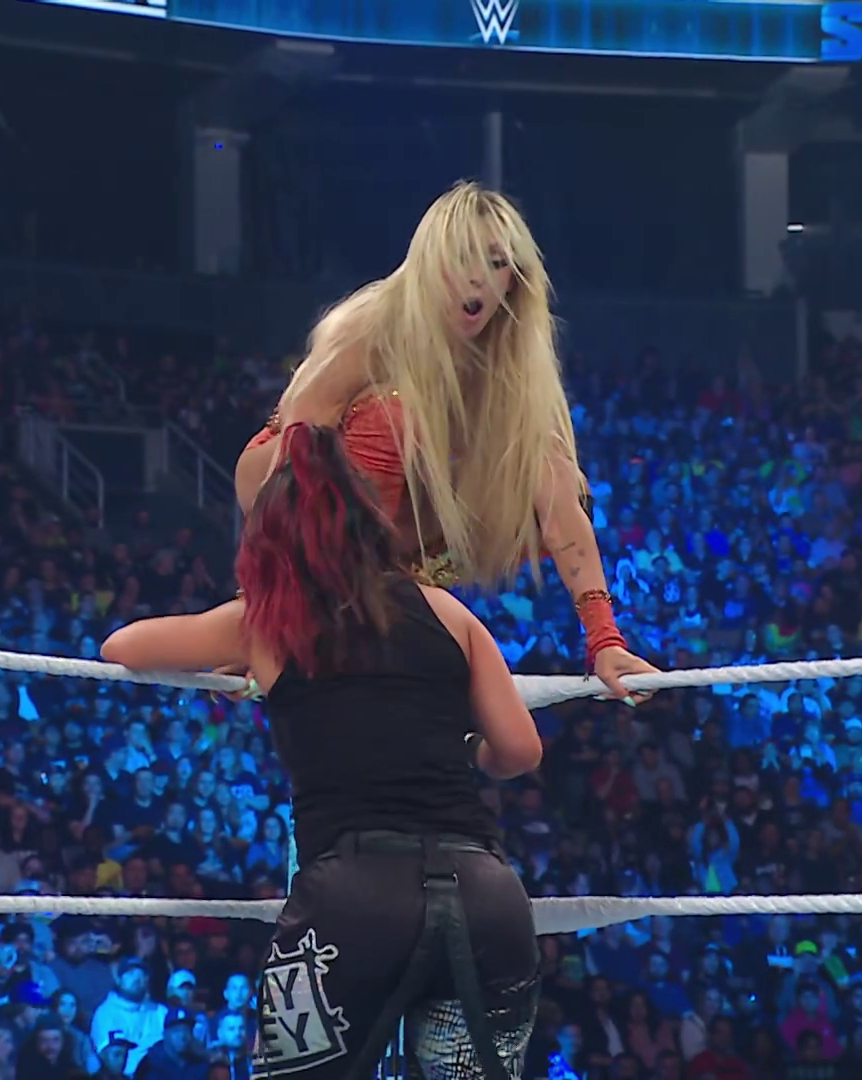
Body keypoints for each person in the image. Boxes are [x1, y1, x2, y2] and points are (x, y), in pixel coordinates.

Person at [104, 423, 545, 1080]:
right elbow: (520, 749)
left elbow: (124, 647)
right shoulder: (449, 613)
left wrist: (246, 649)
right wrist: (473, 751)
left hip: (352, 901)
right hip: (484, 894)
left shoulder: (269, 621)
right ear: (371, 527)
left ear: (272, 542)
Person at [235, 181, 656, 702]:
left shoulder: (513, 362)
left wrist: (604, 639)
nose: (478, 278)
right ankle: (322, 602)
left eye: (497, 263)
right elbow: (296, 458)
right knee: (395, 419)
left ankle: (390, 592)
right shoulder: (370, 328)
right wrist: (261, 607)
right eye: (463, 258)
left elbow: (559, 508)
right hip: (292, 480)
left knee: (565, 480)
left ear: (515, 280)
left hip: (404, 527)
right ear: (432, 263)